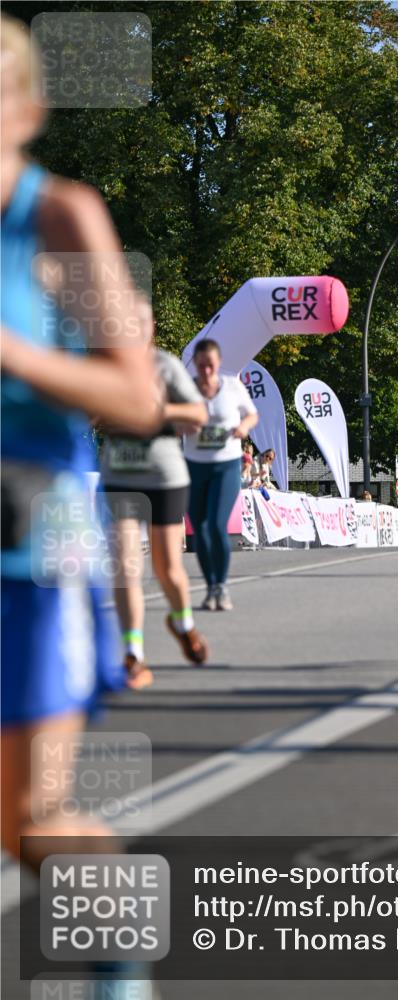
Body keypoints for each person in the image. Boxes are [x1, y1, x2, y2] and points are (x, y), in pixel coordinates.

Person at [1, 14, 161, 861]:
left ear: (26, 110)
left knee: (28, 823)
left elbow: (136, 394)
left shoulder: (60, 216)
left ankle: (116, 969)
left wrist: (16, 355)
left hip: (32, 538)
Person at [99, 302, 210, 688]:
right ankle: (133, 654)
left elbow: (198, 415)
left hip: (164, 476)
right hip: (120, 474)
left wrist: (157, 410)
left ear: (152, 328)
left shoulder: (165, 366)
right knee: (126, 564)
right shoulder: (107, 365)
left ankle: (183, 622)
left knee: (168, 569)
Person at [184, 339, 259, 611]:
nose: (206, 371)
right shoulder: (186, 389)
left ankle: (222, 586)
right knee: (200, 529)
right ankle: (211, 585)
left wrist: (243, 428)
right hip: (194, 465)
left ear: (218, 364)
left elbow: (252, 415)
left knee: (216, 525)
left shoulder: (232, 386)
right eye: (201, 366)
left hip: (226, 465)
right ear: (196, 364)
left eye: (211, 366)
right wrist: (184, 425)